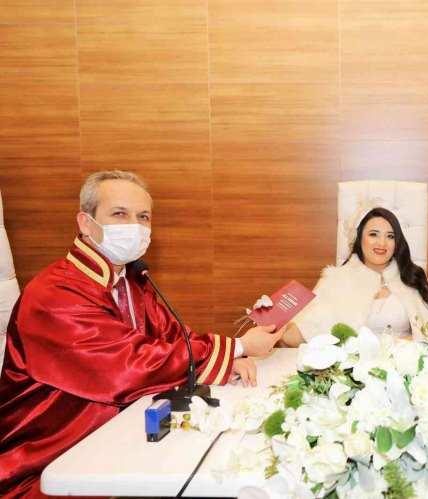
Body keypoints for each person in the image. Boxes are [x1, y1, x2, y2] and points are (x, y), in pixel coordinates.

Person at [0, 170, 283, 498]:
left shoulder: (130, 280)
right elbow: (127, 368)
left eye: (143, 217)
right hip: (51, 459)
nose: (134, 226)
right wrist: (235, 347)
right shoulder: (54, 294)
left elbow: (172, 337)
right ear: (85, 222)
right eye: (120, 214)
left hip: (119, 437)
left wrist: (223, 360)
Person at [279, 207, 428, 346]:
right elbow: (302, 333)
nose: (382, 243)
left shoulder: (411, 279)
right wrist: (275, 324)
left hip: (404, 362)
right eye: (373, 234)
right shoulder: (336, 281)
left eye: (390, 236)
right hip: (351, 366)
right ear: (359, 238)